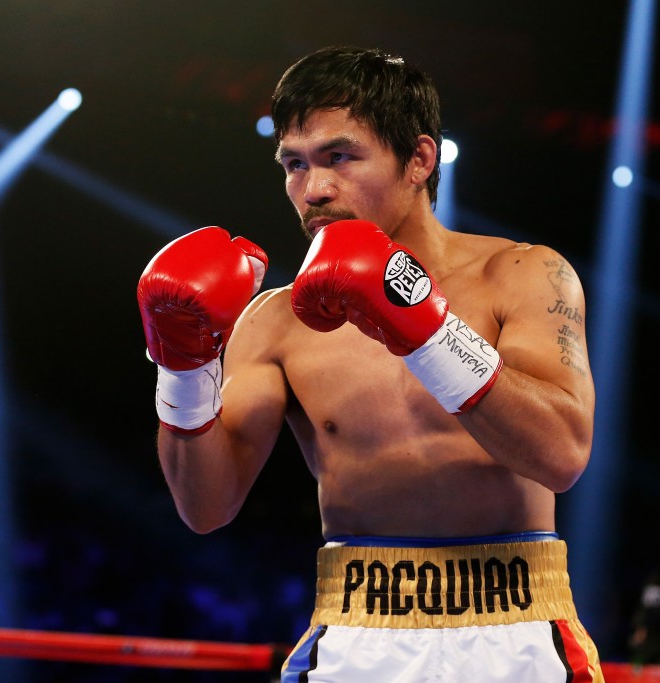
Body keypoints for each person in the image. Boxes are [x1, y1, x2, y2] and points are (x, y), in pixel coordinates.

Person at [137, 45, 603, 681]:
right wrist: (183, 370)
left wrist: (423, 327)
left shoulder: (521, 274)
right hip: (361, 633)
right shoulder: (275, 319)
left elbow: (562, 454)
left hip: (516, 629)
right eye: (294, 165)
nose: (314, 188)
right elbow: (204, 506)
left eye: (340, 157)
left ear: (419, 159)